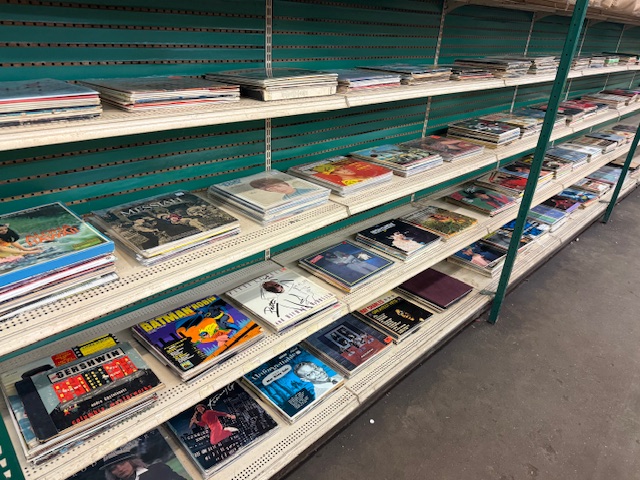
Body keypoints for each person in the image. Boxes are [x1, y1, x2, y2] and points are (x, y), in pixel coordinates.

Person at [101, 451, 187, 480]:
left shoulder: (158, 469)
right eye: (113, 468)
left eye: (122, 463)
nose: (120, 469)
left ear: (132, 461)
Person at [249, 177, 318, 200]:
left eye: (278, 186)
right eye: (272, 189)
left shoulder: (310, 191)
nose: (278, 190)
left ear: (286, 184)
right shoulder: (284, 199)